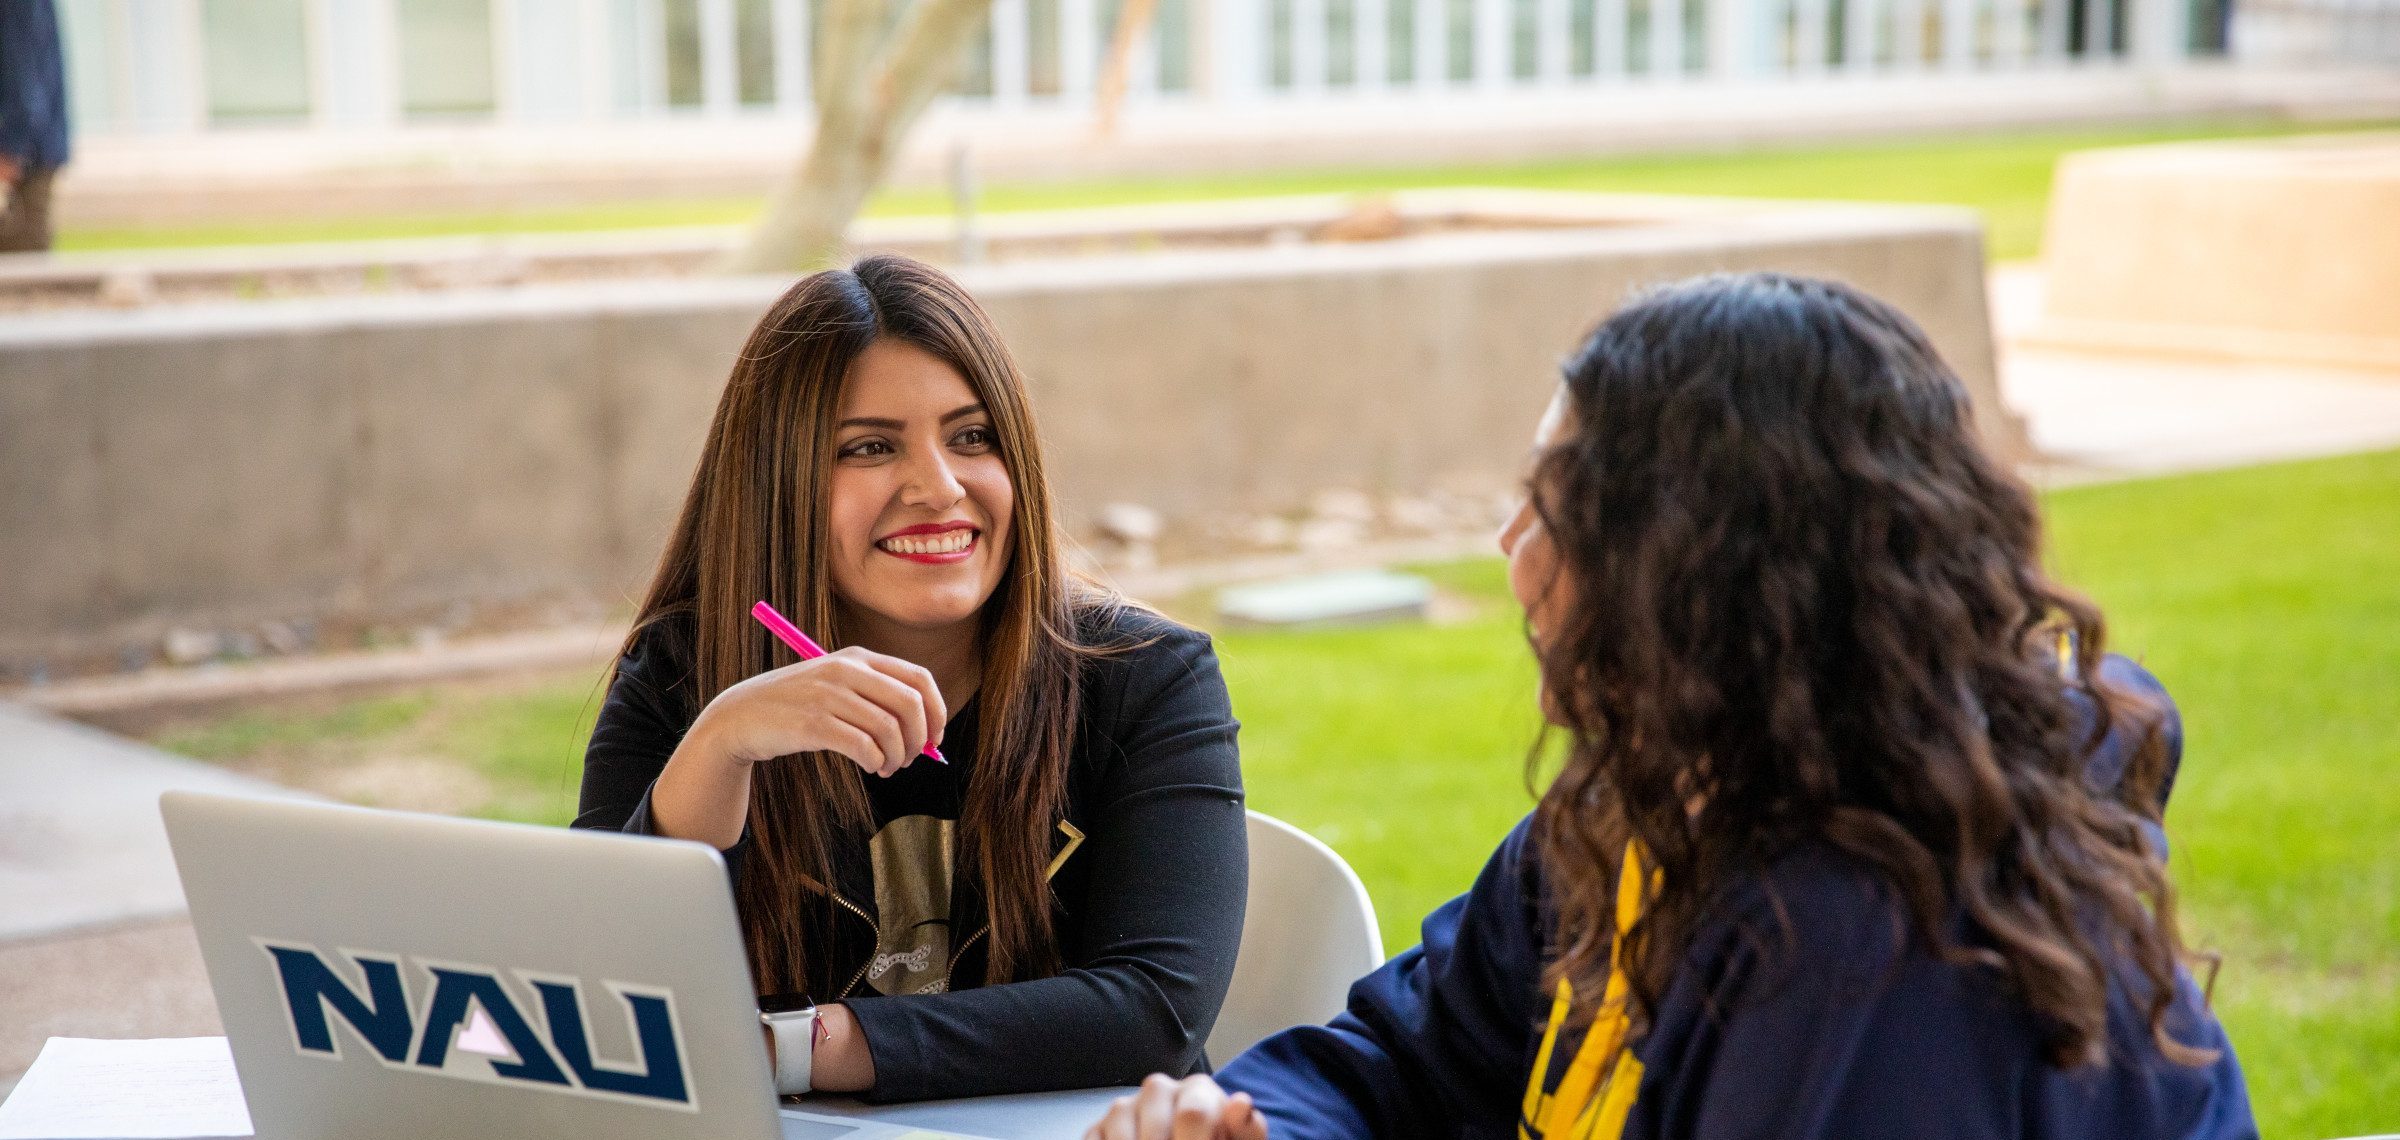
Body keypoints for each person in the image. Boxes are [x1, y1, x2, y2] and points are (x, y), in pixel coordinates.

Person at [1086, 273, 2256, 1139]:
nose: (1511, 550)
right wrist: (1256, 1131)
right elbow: (1403, 1058)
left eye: (1556, 510)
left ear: (1712, 573)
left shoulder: (1874, 945)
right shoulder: (1634, 816)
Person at [575, 254, 1247, 1103]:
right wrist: (719, 747)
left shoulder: (1146, 678)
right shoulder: (683, 675)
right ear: (777, 484)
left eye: (972, 437)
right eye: (870, 447)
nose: (938, 486)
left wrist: (799, 1047)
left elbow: (1153, 1010)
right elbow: (604, 999)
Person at [0, 0, 70, 253]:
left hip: (25, 151)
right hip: (29, 142)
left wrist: (11, 147)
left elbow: (23, 71)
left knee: (24, 254)